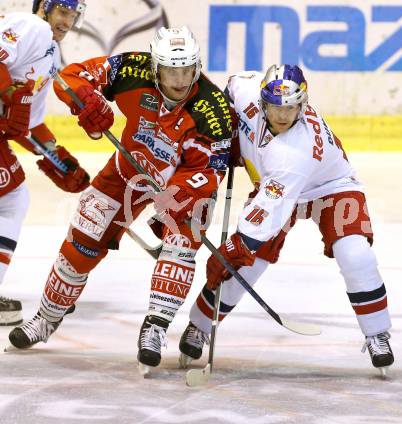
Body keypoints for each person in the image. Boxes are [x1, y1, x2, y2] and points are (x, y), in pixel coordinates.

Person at [8, 26, 233, 374]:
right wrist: (87, 102)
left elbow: (213, 170)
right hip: (128, 167)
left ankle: (154, 329)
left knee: (180, 248)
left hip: (182, 185)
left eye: (187, 70)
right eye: (171, 70)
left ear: (196, 67)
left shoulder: (213, 110)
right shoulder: (132, 69)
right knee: (82, 238)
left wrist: (182, 194)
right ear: (156, 67)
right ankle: (46, 318)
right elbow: (70, 77)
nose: (179, 79)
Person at [178, 64, 394, 374]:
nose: (282, 115)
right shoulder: (246, 90)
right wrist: (224, 130)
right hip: (274, 184)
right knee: (248, 268)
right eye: (275, 107)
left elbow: (267, 214)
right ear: (262, 100)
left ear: (302, 105)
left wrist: (237, 247)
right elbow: (228, 90)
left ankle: (377, 333)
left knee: (354, 253)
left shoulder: (294, 151)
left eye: (291, 108)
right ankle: (199, 325)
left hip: (330, 187)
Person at [0, 0, 90, 325]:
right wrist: (7, 91)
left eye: (73, 15)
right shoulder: (32, 27)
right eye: (63, 12)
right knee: (10, 200)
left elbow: (26, 123)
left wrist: (57, 157)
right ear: (45, 8)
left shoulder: (51, 54)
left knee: (11, 199)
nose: (67, 22)